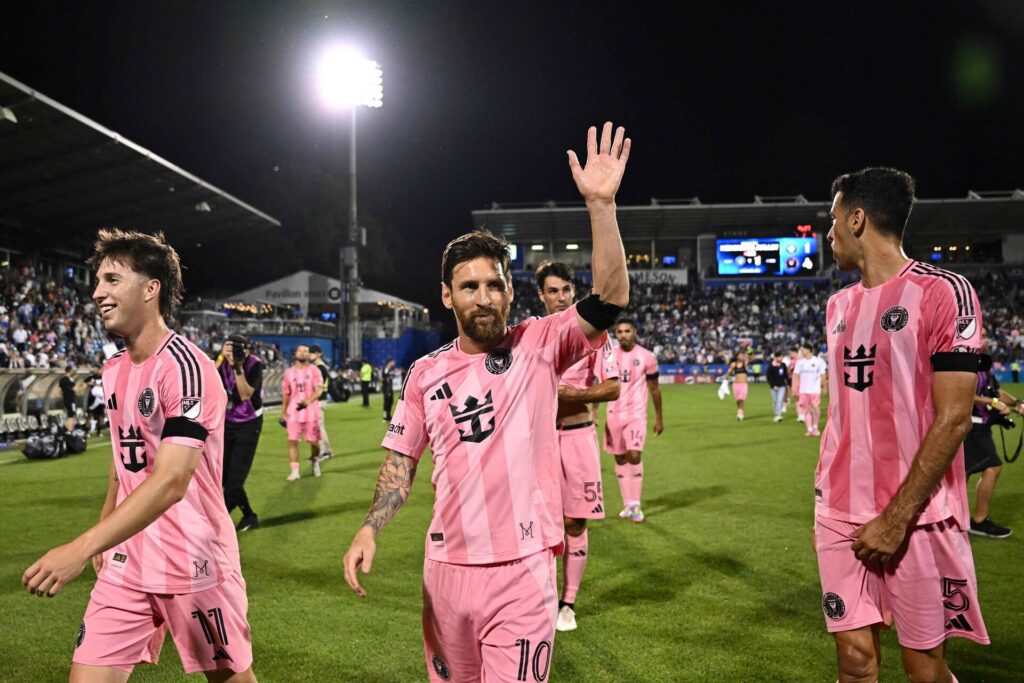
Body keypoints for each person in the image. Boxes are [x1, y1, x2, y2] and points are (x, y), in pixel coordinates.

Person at [342, 121, 631, 682]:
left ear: (510, 291)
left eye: (495, 284)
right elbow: (401, 465)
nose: (484, 296)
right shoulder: (425, 374)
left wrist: (601, 205)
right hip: (444, 572)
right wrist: (369, 527)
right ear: (446, 295)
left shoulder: (541, 343)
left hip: (522, 571)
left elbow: (611, 297)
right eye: (469, 286)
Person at [22, 229, 256, 682]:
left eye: (112, 279)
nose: (97, 292)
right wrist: (106, 532)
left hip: (195, 561)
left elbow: (171, 481)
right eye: (97, 281)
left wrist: (81, 546)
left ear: (151, 289)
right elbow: (124, 455)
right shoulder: (113, 370)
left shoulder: (188, 369)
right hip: (128, 562)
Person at [816, 167, 988, 683]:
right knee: (854, 659)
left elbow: (956, 417)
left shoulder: (945, 292)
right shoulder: (836, 306)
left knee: (924, 666)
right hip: (838, 509)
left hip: (917, 515)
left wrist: (895, 519)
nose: (829, 234)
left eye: (833, 220)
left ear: (858, 217)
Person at [535, 260, 620, 632]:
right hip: (539, 441)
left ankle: (568, 603)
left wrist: (575, 393)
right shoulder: (531, 334)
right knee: (539, 524)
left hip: (578, 434)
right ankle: (543, 598)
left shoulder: (596, 335)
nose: (559, 297)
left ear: (574, 291)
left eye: (565, 290)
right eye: (552, 291)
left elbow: (614, 386)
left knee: (574, 521)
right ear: (541, 295)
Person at [605, 316, 663, 522]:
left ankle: (636, 504)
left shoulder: (647, 357)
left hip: (636, 415)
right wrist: (594, 410)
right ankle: (627, 503)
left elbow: (655, 389)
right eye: (619, 332)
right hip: (614, 415)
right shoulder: (609, 356)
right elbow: (601, 383)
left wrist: (659, 418)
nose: (623, 335)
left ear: (635, 332)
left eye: (627, 331)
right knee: (620, 458)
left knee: (634, 455)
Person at [963, 353, 1022, 538]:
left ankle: (953, 519)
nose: (982, 339)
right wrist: (993, 402)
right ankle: (978, 521)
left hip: (979, 425)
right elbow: (960, 393)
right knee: (992, 467)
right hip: (971, 425)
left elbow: (996, 391)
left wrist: (1017, 402)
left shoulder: (983, 366)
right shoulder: (962, 361)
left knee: (962, 472)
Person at [218, 335, 264, 532]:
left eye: (237, 349)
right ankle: (249, 516)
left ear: (247, 351)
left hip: (249, 422)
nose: (233, 353)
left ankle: (216, 524)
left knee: (235, 480)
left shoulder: (254, 364)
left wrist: (237, 367)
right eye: (228, 348)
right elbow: (207, 380)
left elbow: (245, 394)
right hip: (228, 421)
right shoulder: (220, 362)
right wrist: (221, 359)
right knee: (223, 477)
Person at [281, 344, 323, 480]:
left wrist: (308, 401)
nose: (303, 353)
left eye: (306, 351)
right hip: (294, 414)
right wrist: (284, 412)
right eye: (300, 351)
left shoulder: (314, 371)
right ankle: (295, 471)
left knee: (314, 443)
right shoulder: (289, 373)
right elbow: (286, 394)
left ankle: (315, 461)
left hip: (311, 413)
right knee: (292, 441)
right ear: (295, 354)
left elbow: (319, 391)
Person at [794, 343, 827, 436]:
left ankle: (815, 427)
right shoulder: (800, 362)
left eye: (803, 349)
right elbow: (796, 375)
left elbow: (823, 375)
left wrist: (824, 387)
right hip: (803, 391)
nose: (802, 351)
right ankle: (809, 429)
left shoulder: (818, 361)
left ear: (809, 350)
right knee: (806, 410)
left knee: (816, 408)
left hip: (815, 390)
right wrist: (795, 387)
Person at [308, 344, 334, 460]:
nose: (310, 355)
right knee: (319, 427)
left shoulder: (319, 367)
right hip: (320, 399)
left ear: (318, 354)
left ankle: (324, 452)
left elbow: (316, 385)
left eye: (312, 353)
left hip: (318, 400)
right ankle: (325, 451)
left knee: (319, 427)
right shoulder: (318, 366)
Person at [766, 350, 789, 423]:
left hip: (782, 385)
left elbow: (786, 375)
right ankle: (777, 413)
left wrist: (787, 384)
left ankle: (778, 415)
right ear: (776, 357)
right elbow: (768, 377)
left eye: (781, 356)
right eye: (780, 356)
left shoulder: (783, 365)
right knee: (775, 401)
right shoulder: (771, 366)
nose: (781, 358)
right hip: (773, 387)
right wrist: (773, 385)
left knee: (779, 400)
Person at [726, 350, 750, 421]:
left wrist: (748, 353)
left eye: (742, 355)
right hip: (736, 384)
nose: (741, 356)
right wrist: (725, 377)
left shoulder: (745, 363)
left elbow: (749, 359)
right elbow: (729, 371)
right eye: (740, 355)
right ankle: (739, 411)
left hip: (744, 384)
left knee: (741, 398)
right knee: (737, 400)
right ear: (737, 357)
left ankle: (740, 413)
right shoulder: (734, 364)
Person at [59, 364, 78, 431]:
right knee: (72, 415)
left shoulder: (62, 379)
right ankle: (69, 430)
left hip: (66, 399)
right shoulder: (69, 379)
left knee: (71, 414)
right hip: (71, 400)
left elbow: (61, 391)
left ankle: (70, 429)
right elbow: (74, 389)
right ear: (70, 370)